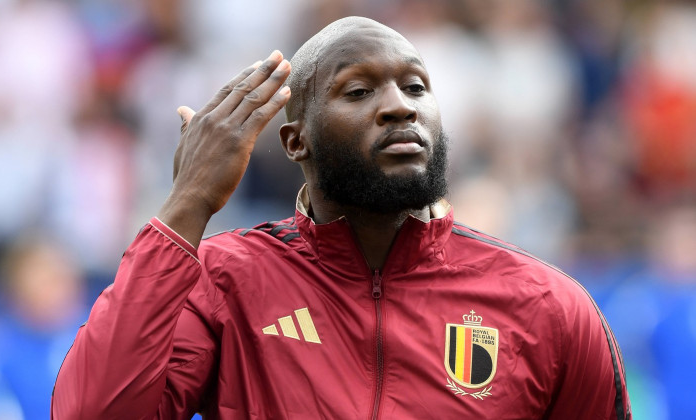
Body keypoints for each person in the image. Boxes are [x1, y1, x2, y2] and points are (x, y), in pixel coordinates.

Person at [51, 16, 631, 419]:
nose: (399, 105)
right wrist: (188, 203)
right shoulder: (224, 283)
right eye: (357, 92)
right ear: (295, 142)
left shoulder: (550, 307)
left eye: (415, 86)